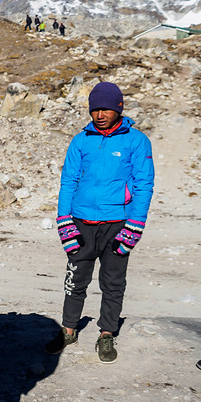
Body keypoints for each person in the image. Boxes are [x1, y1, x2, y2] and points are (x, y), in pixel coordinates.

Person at [47, 82, 154, 363]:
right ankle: (68, 329)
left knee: (113, 282)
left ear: (119, 108)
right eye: (95, 109)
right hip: (81, 222)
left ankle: (107, 333)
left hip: (118, 224)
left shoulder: (136, 140)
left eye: (105, 108)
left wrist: (135, 226)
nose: (100, 114)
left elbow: (144, 186)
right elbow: (68, 181)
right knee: (75, 280)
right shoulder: (81, 140)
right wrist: (63, 222)